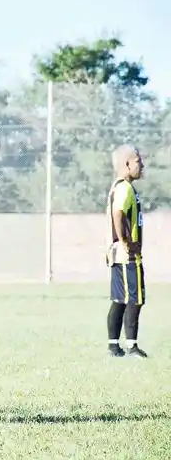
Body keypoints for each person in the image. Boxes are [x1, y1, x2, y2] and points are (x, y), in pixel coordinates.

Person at [105, 144, 148, 358]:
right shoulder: (124, 188)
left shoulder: (120, 187)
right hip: (127, 255)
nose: (142, 165)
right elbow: (118, 213)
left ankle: (114, 347)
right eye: (138, 161)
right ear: (127, 164)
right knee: (135, 298)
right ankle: (131, 346)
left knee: (120, 299)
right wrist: (124, 241)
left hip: (118, 255)